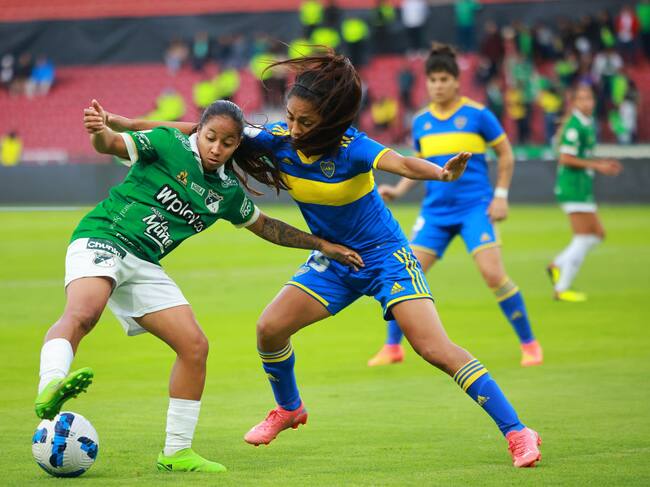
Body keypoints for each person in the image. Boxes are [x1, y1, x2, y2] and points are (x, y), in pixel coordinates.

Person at [119, 50, 542, 468]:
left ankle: (518, 431)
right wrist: (131, 125)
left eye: (306, 122)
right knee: (269, 329)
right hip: (335, 260)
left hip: (385, 258)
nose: (294, 128)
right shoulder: (277, 140)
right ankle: (289, 409)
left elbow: (401, 163)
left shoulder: (353, 147)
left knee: (433, 348)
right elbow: (203, 130)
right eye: (291, 117)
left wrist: (441, 173)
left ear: (331, 121)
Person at [34, 98, 364, 473]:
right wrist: (99, 131)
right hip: (105, 236)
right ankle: (51, 385)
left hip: (144, 261)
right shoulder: (168, 143)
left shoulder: (226, 192)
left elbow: (268, 227)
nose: (216, 148)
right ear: (199, 131)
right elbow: (109, 143)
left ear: (237, 146)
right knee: (84, 313)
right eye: (210, 138)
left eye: (227, 143)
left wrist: (322, 245)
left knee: (194, 346)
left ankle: (176, 452)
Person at [368, 43, 543, 369]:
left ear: (456, 81)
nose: (437, 85)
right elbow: (421, 163)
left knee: (493, 275)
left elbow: (506, 154)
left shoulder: (478, 115)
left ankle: (529, 344)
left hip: (475, 208)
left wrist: (500, 195)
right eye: (432, 80)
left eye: (444, 79)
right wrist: (399, 190)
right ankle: (392, 347)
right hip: (435, 212)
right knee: (404, 276)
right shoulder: (421, 121)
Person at [548, 84, 622, 302]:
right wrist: (598, 166)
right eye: (581, 99)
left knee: (597, 235)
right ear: (574, 103)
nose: (587, 102)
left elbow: (582, 155)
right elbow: (565, 158)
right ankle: (561, 288)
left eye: (589, 98)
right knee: (584, 237)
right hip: (573, 188)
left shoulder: (586, 123)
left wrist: (600, 163)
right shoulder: (574, 126)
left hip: (582, 188)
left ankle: (557, 265)